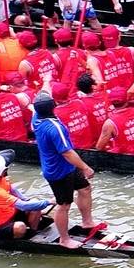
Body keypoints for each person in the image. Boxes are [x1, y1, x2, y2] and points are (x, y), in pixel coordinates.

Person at [28, 94, 98, 246]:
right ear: (54, 107)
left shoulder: (36, 118)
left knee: (85, 188)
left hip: (67, 166)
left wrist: (46, 82)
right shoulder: (55, 127)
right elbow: (67, 152)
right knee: (64, 204)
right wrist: (85, 167)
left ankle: (87, 222)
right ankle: (64, 239)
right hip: (59, 170)